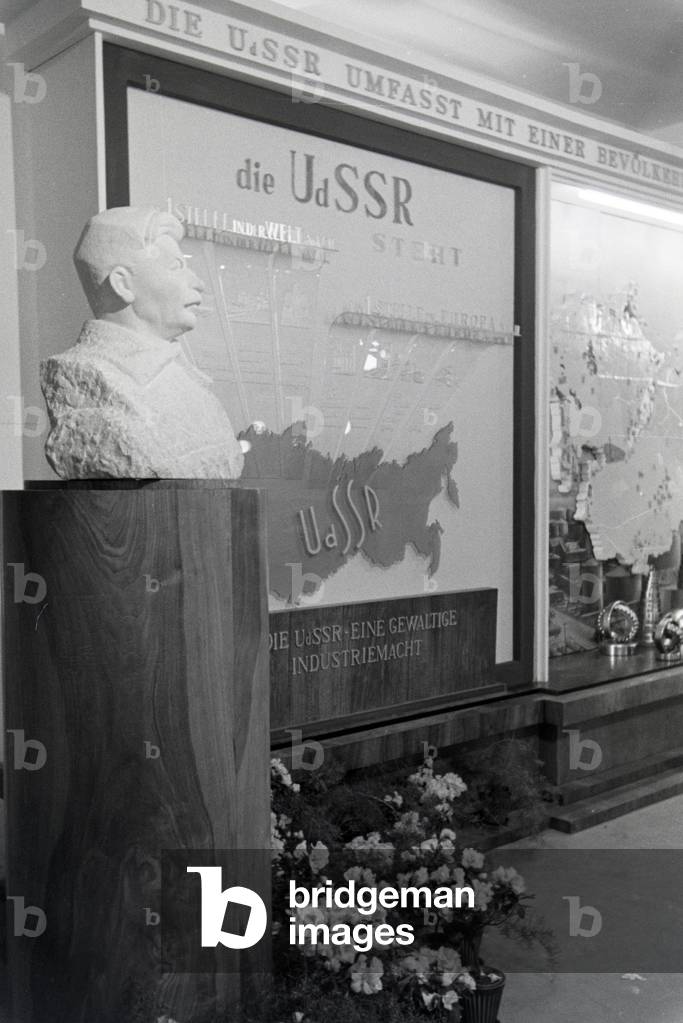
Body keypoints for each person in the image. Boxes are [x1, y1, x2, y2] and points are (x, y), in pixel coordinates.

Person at [40, 206, 245, 479]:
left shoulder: (191, 382)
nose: (198, 283)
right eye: (175, 266)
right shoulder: (88, 378)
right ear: (122, 284)